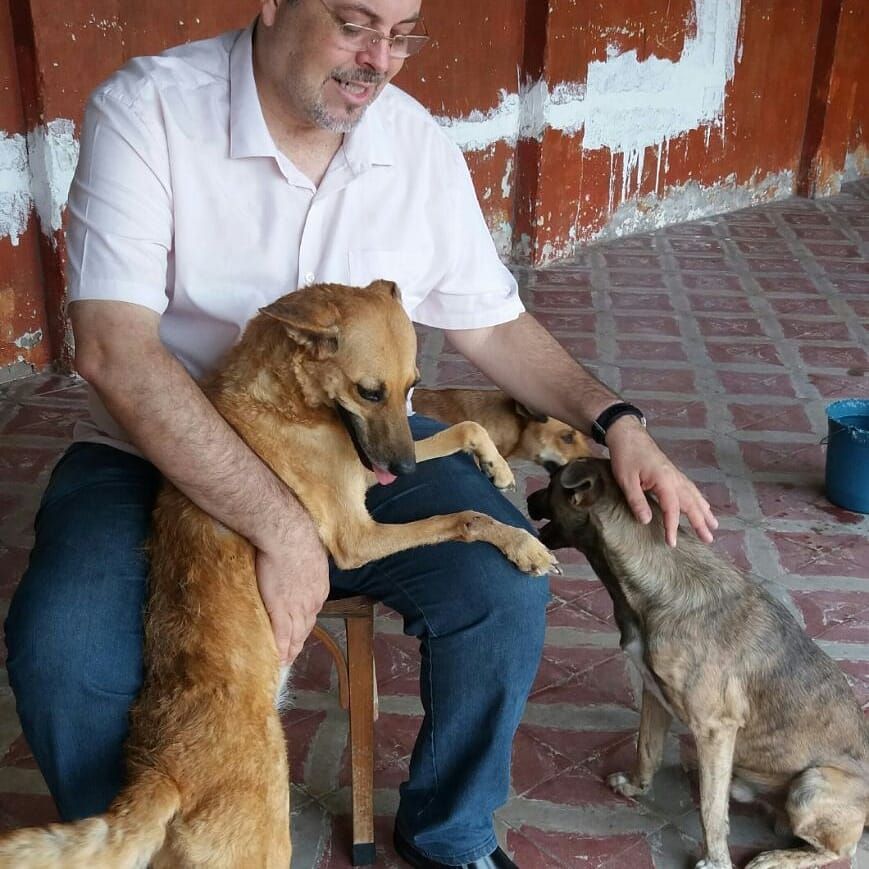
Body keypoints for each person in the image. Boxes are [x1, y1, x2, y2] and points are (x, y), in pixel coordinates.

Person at [4, 1, 718, 867]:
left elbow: (492, 327)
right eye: (354, 23)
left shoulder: (413, 145)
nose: (379, 57)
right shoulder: (151, 108)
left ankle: (449, 830)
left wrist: (616, 421)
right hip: (158, 445)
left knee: (502, 586)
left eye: (402, 32)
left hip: (354, 447)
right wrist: (282, 527)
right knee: (63, 649)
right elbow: (117, 351)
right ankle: (137, 846)